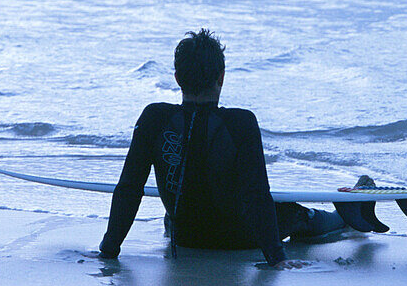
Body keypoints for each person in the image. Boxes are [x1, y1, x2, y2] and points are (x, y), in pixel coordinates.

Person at [99, 29, 344, 268]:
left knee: (176, 210)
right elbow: (256, 195)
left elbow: (129, 188)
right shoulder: (242, 123)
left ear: (177, 78)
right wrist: (277, 258)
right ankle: (343, 217)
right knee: (294, 214)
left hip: (185, 237)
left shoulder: (154, 118)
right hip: (239, 240)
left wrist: (108, 250)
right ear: (221, 77)